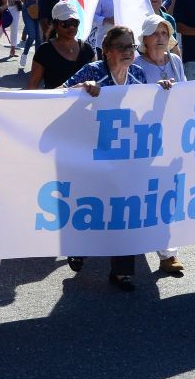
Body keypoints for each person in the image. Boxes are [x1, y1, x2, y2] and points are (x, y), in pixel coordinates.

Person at [63, 25, 173, 291]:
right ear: (107, 51)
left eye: (131, 46)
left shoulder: (136, 73)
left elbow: (146, 106)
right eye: (121, 46)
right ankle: (78, 247)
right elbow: (57, 96)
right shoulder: (93, 71)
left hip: (126, 154)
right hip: (92, 153)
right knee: (93, 206)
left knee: (124, 209)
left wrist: (160, 90)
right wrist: (79, 88)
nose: (128, 52)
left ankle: (123, 271)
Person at [133, 14, 186, 277]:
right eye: (156, 33)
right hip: (145, 142)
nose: (161, 38)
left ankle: (168, 254)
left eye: (165, 33)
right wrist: (156, 92)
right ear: (144, 39)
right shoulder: (135, 64)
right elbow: (132, 103)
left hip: (172, 139)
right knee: (144, 196)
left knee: (167, 196)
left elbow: (187, 94)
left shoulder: (175, 61)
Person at [27, 1, 94, 90]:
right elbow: (32, 85)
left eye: (74, 22)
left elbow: (96, 79)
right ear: (55, 24)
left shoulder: (87, 49)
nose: (71, 27)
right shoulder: (44, 51)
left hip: (83, 103)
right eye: (65, 23)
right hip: (54, 102)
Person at [17, 0, 43, 70]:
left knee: (39, 38)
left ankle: (37, 63)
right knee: (32, 35)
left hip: (39, 8)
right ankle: (25, 53)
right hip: (28, 8)